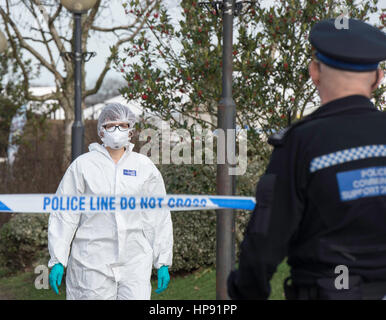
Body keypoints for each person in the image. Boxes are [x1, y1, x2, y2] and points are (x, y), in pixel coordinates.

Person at [227, 18, 386, 300]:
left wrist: (245, 291)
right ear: (378, 77)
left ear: (315, 72)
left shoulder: (300, 144)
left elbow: (264, 241)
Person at [47, 103, 173, 300]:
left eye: (122, 125)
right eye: (110, 125)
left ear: (130, 130)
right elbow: (65, 213)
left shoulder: (144, 167)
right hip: (91, 262)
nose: (117, 130)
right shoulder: (83, 166)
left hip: (135, 261)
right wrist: (57, 259)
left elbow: (157, 216)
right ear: (101, 131)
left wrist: (163, 260)